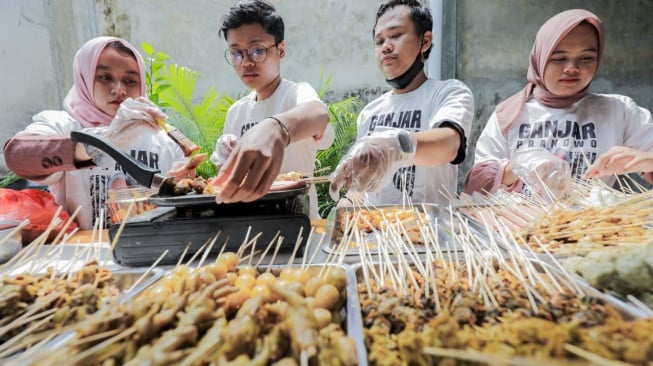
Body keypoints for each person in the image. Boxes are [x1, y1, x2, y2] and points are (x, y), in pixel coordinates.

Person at [3, 36, 196, 229]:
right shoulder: (62, 126)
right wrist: (104, 142)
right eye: (104, 77)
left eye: (130, 80)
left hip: (149, 251)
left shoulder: (163, 138)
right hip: (77, 254)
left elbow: (185, 207)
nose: (119, 90)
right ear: (84, 78)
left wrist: (185, 183)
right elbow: (17, 156)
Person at [464, 9, 653, 197]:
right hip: (522, 225)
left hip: (593, 224)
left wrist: (646, 159)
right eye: (559, 58)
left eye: (586, 57)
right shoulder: (509, 114)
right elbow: (476, 186)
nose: (572, 68)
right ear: (540, 57)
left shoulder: (619, 111)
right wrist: (519, 167)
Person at [328, 0, 474, 206]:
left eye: (396, 36)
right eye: (379, 41)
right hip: (377, 234)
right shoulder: (370, 112)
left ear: (425, 41)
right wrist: (350, 202)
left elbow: (449, 144)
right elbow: (362, 189)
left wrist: (397, 147)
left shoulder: (448, 92)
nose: (386, 47)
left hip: (431, 232)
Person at [210, 0, 333, 218]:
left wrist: (276, 128)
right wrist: (226, 157)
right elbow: (229, 181)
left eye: (257, 51)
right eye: (236, 53)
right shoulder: (236, 112)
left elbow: (318, 114)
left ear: (281, 49)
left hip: (298, 223)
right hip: (251, 225)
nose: (246, 62)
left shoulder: (296, 94)